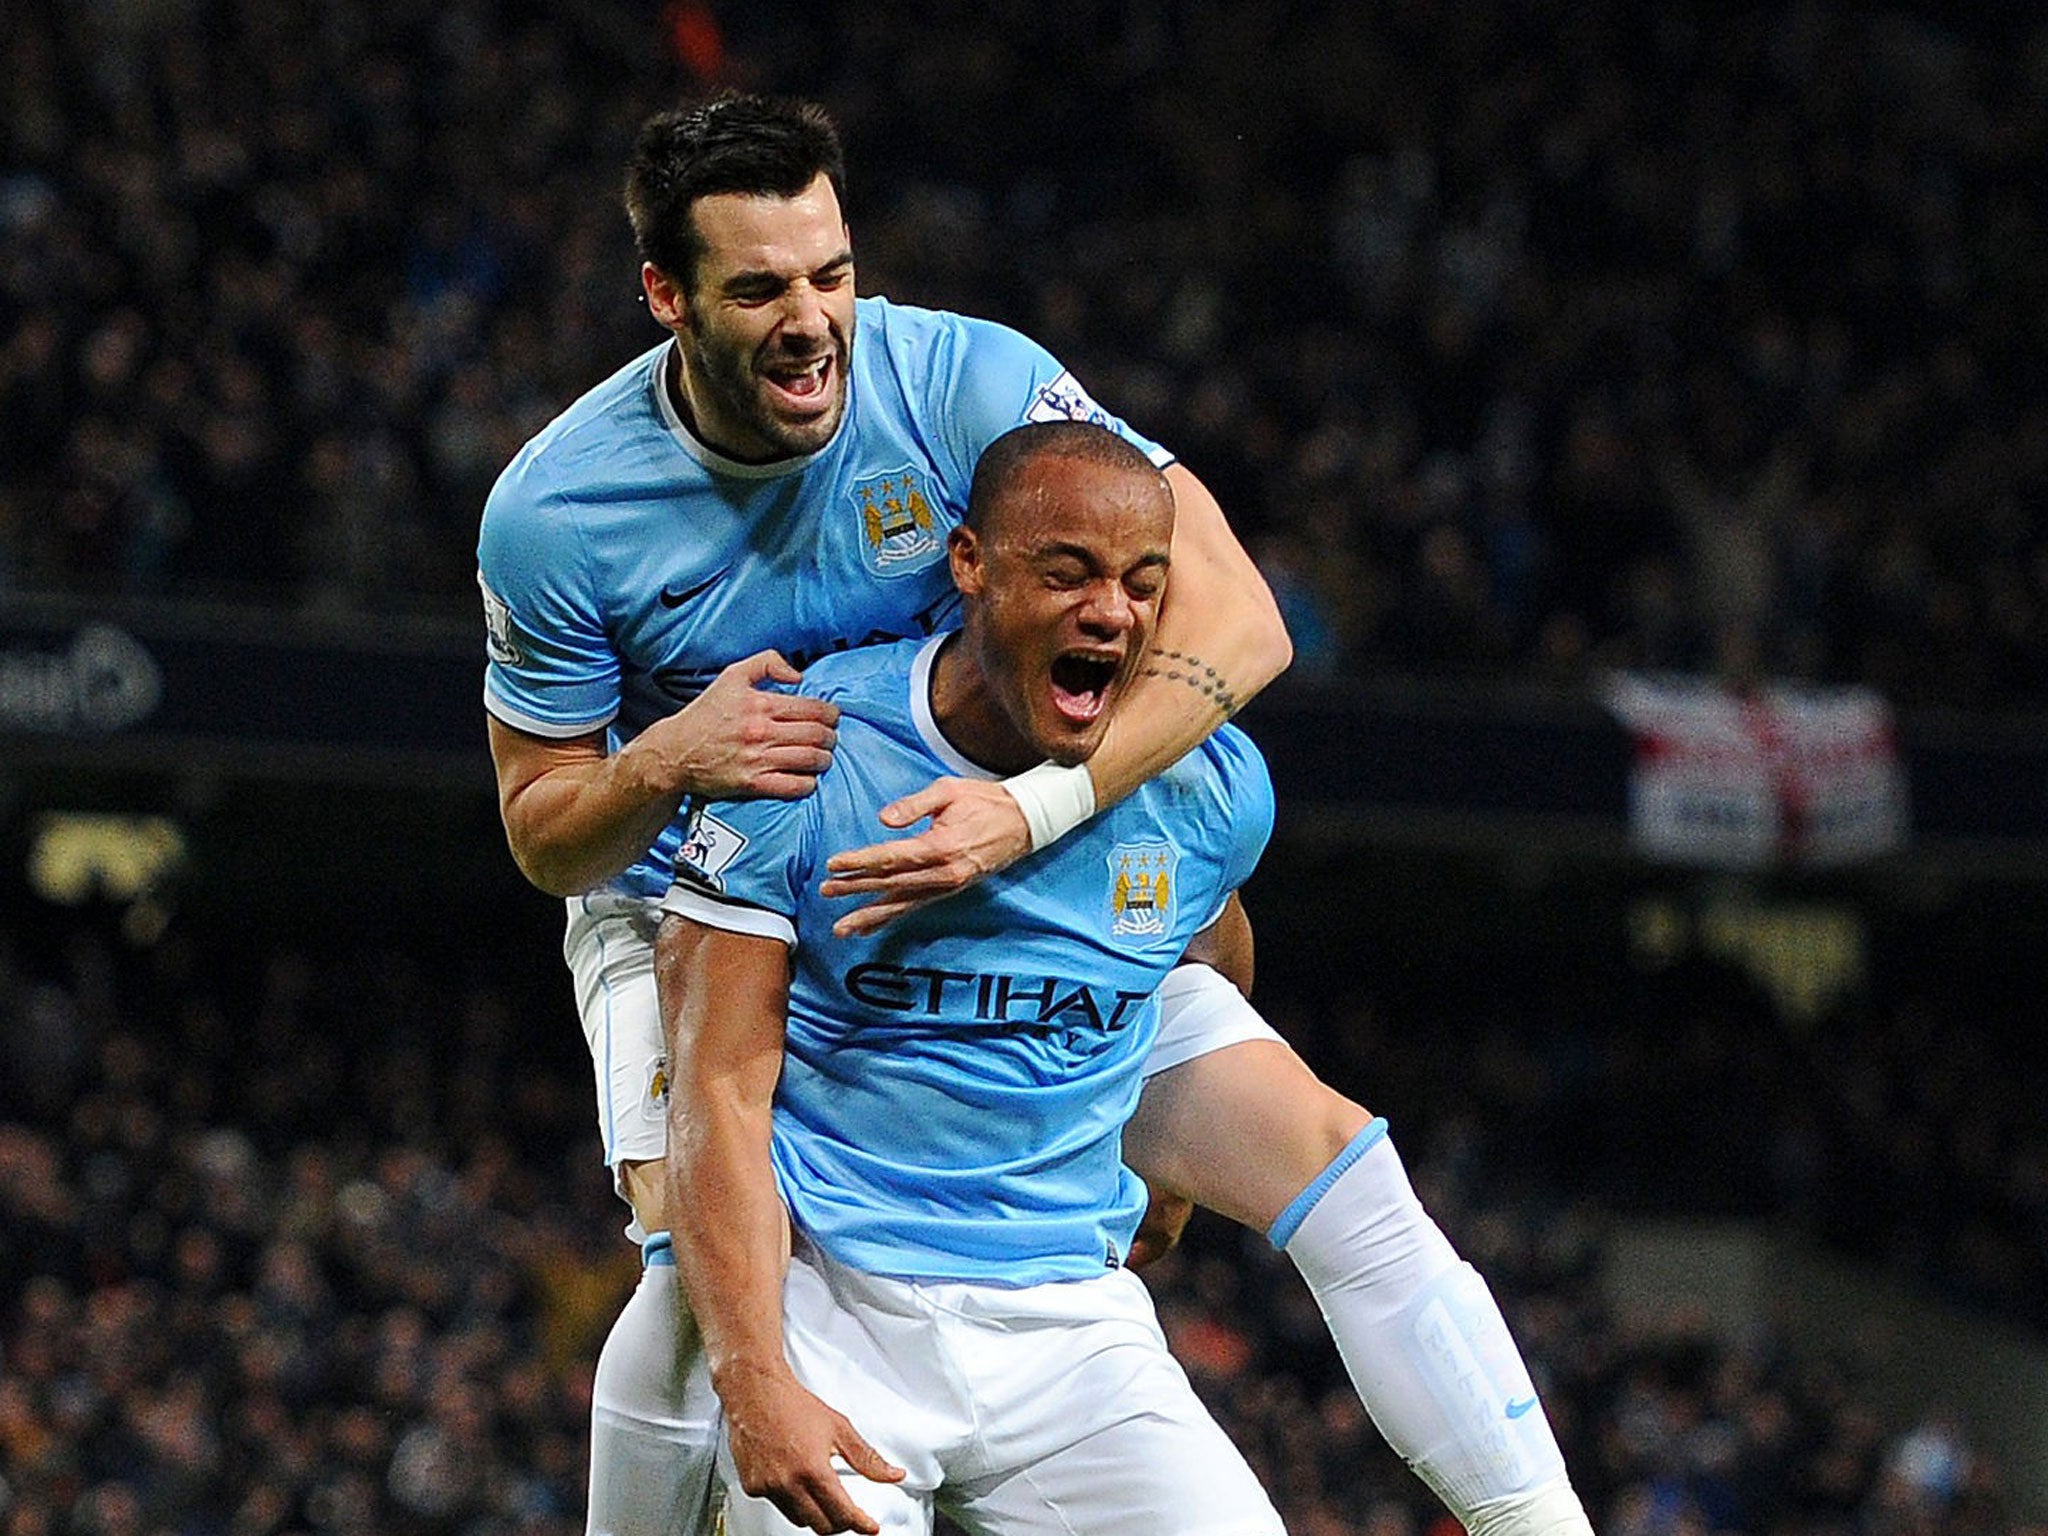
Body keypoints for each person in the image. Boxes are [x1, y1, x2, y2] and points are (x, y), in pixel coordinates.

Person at [476, 92, 1588, 1536]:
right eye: (759, 289)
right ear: (665, 295)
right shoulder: (558, 513)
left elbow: (1236, 620)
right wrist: (660, 762)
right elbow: (541, 829)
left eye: (833, 272)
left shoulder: (966, 384)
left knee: (1337, 1164)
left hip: (979, 858)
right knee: (705, 1252)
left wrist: (1040, 811)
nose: (814, 321)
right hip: (707, 881)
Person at [660, 421, 1285, 1535]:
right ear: (968, 565)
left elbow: (1209, 941)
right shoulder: (805, 752)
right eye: (1069, 572)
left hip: (1071, 1326)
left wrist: (1177, 1167)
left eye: (1144, 584)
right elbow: (715, 1090)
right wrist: (753, 1376)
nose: (1114, 613)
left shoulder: (1205, 784)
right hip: (834, 1300)